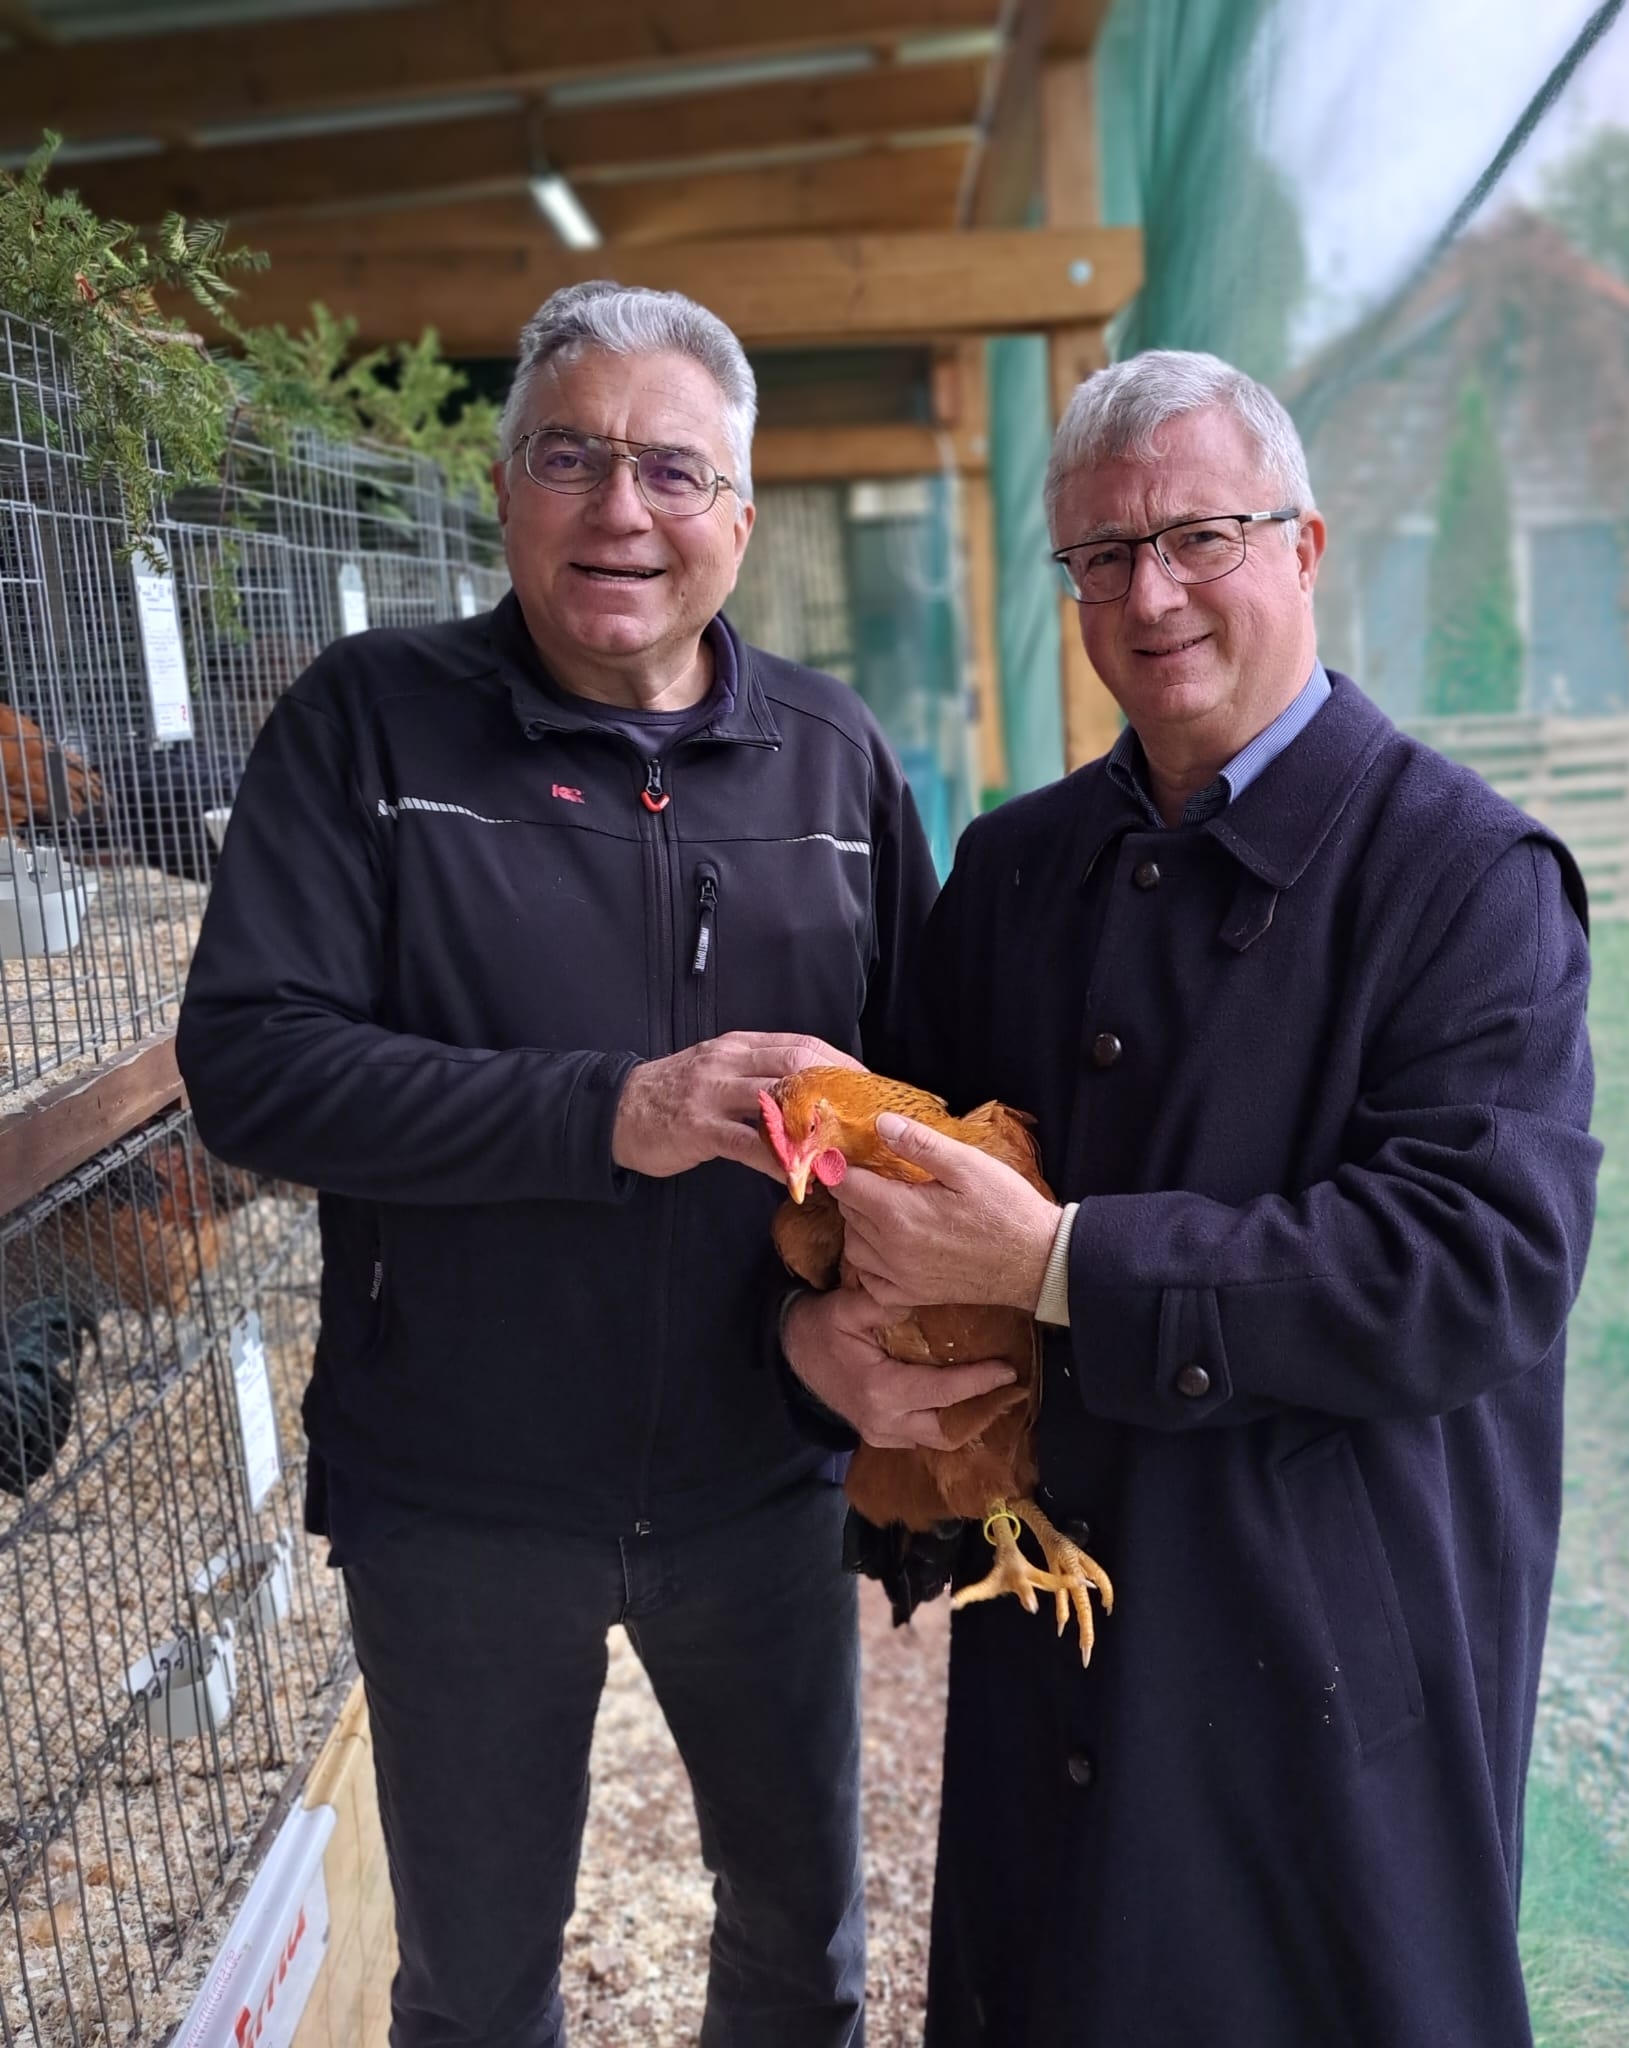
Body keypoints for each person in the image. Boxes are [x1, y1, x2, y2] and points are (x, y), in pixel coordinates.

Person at [781, 349, 1602, 2046]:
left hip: (1323, 1666)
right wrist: (823, 1333)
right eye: (1102, 555)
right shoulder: (1012, 871)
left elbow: (1478, 1264)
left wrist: (1065, 1263)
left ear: (1305, 546)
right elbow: (883, 1188)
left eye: (1199, 537)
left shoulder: (1465, 877)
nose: (1150, 595)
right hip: (1056, 1644)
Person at [178, 281, 941, 2048]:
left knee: (804, 1951)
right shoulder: (372, 727)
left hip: (761, 1474)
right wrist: (611, 1111)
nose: (621, 510)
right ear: (505, 489)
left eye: (673, 470)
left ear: (740, 513)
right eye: (570, 457)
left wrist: (884, 1352)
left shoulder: (833, 761)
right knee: (476, 1990)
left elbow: (925, 1101)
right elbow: (253, 1067)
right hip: (462, 1489)